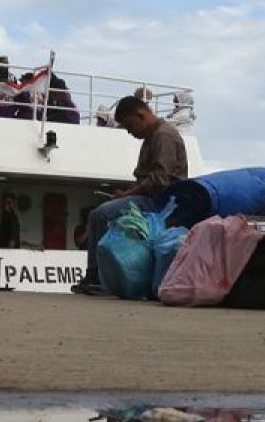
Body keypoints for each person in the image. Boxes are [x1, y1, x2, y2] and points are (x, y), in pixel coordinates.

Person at [72, 96, 188, 294]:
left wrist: (126, 194)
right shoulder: (153, 136)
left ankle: (96, 278)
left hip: (161, 203)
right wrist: (126, 193)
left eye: (129, 126)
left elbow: (159, 180)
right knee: (103, 212)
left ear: (140, 115)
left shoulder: (163, 136)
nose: (129, 131)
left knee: (100, 214)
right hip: (152, 198)